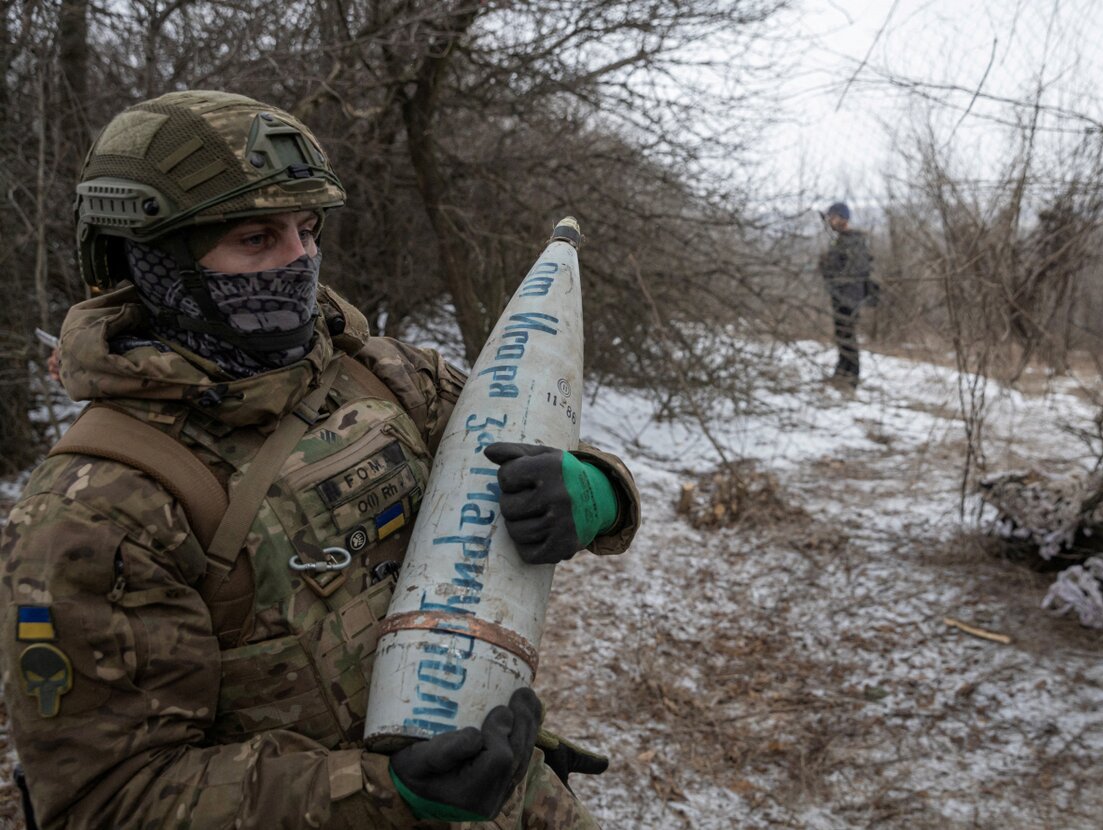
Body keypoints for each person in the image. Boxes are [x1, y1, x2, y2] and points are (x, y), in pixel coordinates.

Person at [0, 90, 640, 829]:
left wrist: (595, 493)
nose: (299, 260)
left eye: (306, 230)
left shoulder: (384, 373)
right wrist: (380, 794)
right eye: (256, 238)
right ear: (155, 259)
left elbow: (533, 444)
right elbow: (109, 802)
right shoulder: (95, 507)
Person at [817, 201, 876, 386]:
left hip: (849, 297)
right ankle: (841, 373)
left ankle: (852, 378)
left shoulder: (852, 240)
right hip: (840, 295)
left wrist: (830, 268)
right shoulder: (842, 239)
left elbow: (855, 272)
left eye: (832, 217)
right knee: (842, 335)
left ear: (842, 218)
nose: (829, 221)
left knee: (847, 336)